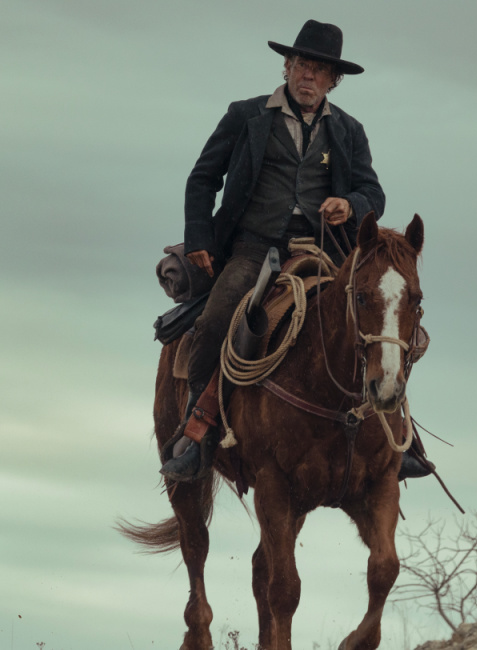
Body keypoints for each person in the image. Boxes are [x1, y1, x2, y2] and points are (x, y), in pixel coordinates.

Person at [161, 20, 433, 482]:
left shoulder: (349, 131)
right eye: (302, 65)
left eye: (320, 70)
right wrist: (201, 239)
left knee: (382, 318)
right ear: (287, 67)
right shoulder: (244, 115)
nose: (309, 77)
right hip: (252, 249)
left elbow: (372, 192)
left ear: (333, 80)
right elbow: (202, 179)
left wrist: (350, 204)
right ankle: (198, 432)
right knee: (214, 321)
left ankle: (400, 434)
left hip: (326, 249)